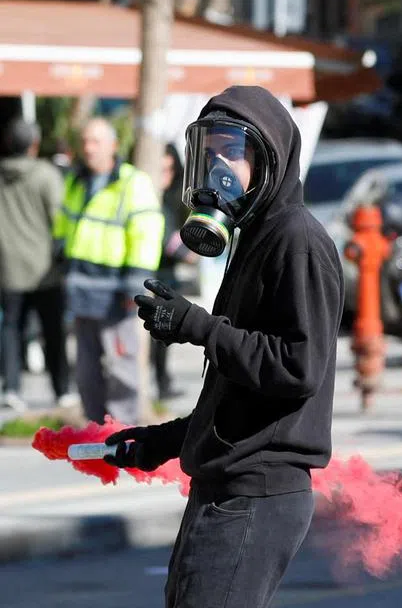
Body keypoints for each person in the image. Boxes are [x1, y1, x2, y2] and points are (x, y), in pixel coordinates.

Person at [101, 86, 343, 608]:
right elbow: (242, 396)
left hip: (256, 495)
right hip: (222, 488)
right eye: (210, 152)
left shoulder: (296, 240)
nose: (219, 166)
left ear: (268, 157)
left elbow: (298, 369)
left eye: (232, 151)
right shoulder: (253, 238)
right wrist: (161, 443)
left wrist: (200, 327)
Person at [55, 118, 164, 424]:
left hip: (118, 292)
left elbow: (146, 233)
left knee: (122, 367)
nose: (88, 149)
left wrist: (135, 284)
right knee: (86, 370)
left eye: (96, 142)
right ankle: (96, 431)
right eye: (85, 141)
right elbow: (64, 225)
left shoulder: (133, 182)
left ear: (114, 146)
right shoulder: (75, 181)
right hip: (82, 290)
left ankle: (122, 431)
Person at [0, 118, 72, 411]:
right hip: (44, 269)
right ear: (34, 144)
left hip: (8, 267)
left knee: (11, 329)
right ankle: (61, 390)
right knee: (52, 331)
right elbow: (61, 219)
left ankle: (12, 388)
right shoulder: (46, 175)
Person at [152, 143, 195, 400]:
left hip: (167, 276)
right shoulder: (147, 196)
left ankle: (162, 381)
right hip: (147, 272)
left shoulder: (176, 198)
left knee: (162, 334)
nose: (164, 176)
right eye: (160, 170)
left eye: (169, 169)